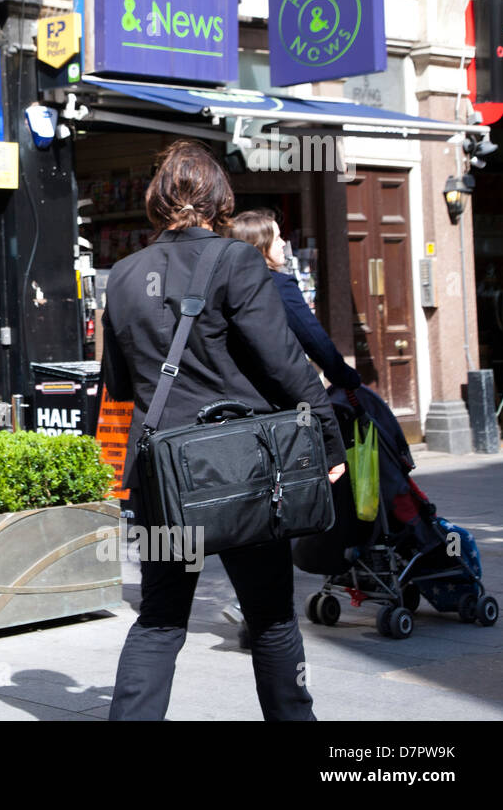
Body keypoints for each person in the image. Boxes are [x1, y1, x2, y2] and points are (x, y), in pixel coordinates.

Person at [101, 140, 347, 721]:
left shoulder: (125, 274)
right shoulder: (236, 260)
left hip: (164, 474)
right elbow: (285, 363)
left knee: (160, 618)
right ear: (217, 199)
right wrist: (328, 435)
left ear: (158, 200)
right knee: (270, 616)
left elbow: (117, 382)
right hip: (242, 469)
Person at [230, 209, 362, 391]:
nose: (283, 243)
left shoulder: (226, 282)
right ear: (259, 246)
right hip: (276, 391)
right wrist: (344, 376)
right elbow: (312, 336)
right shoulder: (276, 285)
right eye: (276, 239)